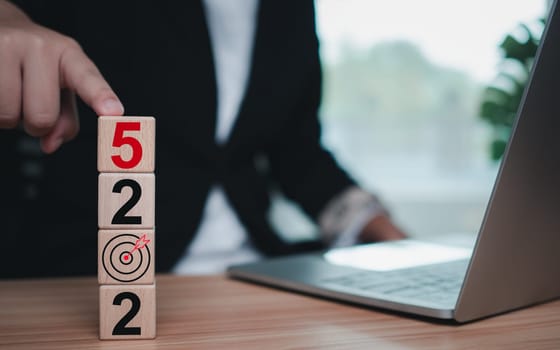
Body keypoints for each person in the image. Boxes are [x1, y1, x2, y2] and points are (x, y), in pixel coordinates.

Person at [0, 0, 406, 278]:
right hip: (90, 270)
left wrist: (398, 243)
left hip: (256, 272)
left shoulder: (291, 8)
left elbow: (298, 154)